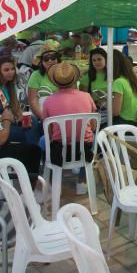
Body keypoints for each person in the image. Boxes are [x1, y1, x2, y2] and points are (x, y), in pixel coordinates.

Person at [42, 62, 96, 195]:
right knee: (91, 137)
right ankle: (82, 181)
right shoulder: (87, 97)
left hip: (59, 150)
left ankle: (51, 183)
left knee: (42, 141)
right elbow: (94, 126)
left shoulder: (48, 101)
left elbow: (48, 132)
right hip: (84, 149)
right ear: (75, 79)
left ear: (55, 81)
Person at [0, 56, 30, 144]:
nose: (11, 72)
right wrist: (12, 120)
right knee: (24, 134)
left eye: (12, 69)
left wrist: (21, 116)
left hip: (10, 121)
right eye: (6, 70)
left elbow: (15, 107)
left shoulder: (9, 86)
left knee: (32, 123)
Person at [26, 49, 59, 132]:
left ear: (58, 59)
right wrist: (44, 118)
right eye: (46, 59)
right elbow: (32, 101)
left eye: (53, 57)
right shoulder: (36, 75)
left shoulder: (65, 74)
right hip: (41, 115)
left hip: (60, 114)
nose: (50, 61)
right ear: (42, 62)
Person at [110, 49, 137, 125]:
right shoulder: (130, 78)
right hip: (135, 121)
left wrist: (104, 102)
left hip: (125, 123)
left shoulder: (118, 82)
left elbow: (115, 112)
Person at [80, 47, 109, 118]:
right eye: (94, 60)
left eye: (99, 59)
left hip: (112, 109)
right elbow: (84, 100)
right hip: (95, 110)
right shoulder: (86, 78)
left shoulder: (113, 74)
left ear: (106, 59)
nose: (97, 62)